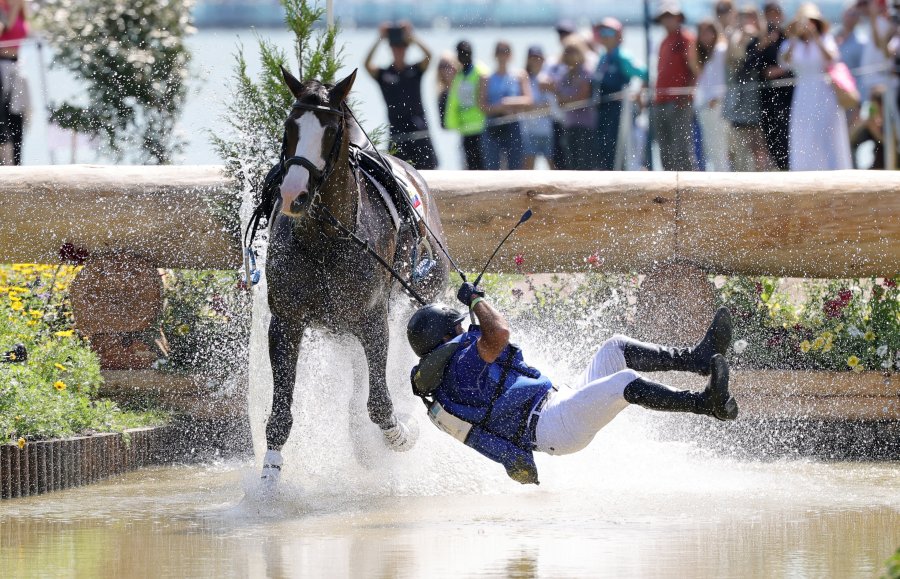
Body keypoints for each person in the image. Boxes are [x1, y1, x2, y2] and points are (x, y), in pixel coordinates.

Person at [406, 283, 739, 485]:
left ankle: (695, 359)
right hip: (553, 426)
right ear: (447, 336)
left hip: (556, 408)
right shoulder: (461, 368)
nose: (465, 330)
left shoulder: (453, 369)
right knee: (623, 382)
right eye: (459, 327)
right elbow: (499, 333)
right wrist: (477, 300)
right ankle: (704, 404)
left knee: (615, 348)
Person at [780, 3, 853, 170]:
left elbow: (832, 58)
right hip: (803, 92)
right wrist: (793, 36)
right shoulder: (792, 43)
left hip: (823, 90)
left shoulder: (825, 39)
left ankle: (832, 169)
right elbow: (785, 62)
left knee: (826, 129)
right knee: (803, 131)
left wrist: (815, 37)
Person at [364, 21, 438, 170]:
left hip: (420, 134)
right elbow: (366, 64)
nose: (399, 50)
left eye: (403, 47)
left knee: (430, 176)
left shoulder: (415, 70)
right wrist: (380, 38)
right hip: (397, 136)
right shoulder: (385, 74)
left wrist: (412, 36)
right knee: (396, 179)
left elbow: (429, 56)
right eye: (395, 47)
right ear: (390, 49)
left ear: (407, 48)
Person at [592, 17, 648, 170]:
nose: (604, 35)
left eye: (609, 32)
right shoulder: (602, 58)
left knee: (621, 153)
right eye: (601, 31)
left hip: (620, 114)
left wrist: (637, 94)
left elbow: (645, 74)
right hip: (603, 113)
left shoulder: (623, 56)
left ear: (618, 36)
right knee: (604, 153)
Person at [723, 5, 773, 171]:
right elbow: (734, 60)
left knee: (761, 150)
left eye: (751, 16)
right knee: (739, 151)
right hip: (741, 104)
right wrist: (744, 37)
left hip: (763, 103)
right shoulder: (735, 36)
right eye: (743, 16)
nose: (747, 19)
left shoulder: (766, 37)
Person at [653, 1, 699, 171]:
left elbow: (695, 70)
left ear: (679, 18)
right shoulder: (664, 41)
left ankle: (690, 191)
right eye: (664, 17)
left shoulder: (687, 39)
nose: (667, 20)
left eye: (671, 16)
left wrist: (686, 95)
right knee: (665, 151)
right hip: (661, 101)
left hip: (679, 102)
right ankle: (668, 193)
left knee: (682, 150)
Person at [753, 2, 794, 171]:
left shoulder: (789, 37)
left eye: (775, 14)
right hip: (767, 100)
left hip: (787, 97)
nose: (773, 18)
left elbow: (795, 65)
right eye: (769, 14)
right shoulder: (759, 39)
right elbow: (751, 65)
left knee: (787, 139)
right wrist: (762, 46)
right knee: (771, 141)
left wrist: (780, 71)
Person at [479, 41, 532, 170]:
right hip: (493, 125)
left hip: (513, 125)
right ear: (495, 55)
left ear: (511, 55)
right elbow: (482, 106)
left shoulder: (520, 76)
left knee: (515, 167)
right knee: (492, 168)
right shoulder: (486, 78)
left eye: (506, 51)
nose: (502, 55)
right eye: (500, 52)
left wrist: (508, 102)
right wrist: (499, 108)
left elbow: (528, 100)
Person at [549, 36, 596, 170]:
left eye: (573, 51)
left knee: (585, 164)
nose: (570, 55)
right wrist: (567, 98)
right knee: (571, 164)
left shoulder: (586, 72)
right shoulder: (564, 74)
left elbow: (582, 97)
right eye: (567, 51)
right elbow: (559, 100)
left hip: (585, 126)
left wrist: (565, 98)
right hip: (569, 125)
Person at [445, 40, 489, 170]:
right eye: (460, 53)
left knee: (483, 167)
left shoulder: (481, 71)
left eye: (466, 53)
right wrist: (451, 123)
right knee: (470, 168)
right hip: (465, 130)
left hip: (482, 129)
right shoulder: (459, 75)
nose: (463, 56)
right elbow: (454, 102)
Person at [695, 19, 732, 171]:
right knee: (711, 148)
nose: (705, 36)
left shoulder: (720, 49)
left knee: (720, 147)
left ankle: (724, 182)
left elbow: (725, 76)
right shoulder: (704, 53)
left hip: (717, 104)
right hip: (705, 105)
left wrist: (718, 97)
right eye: (702, 32)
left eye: (709, 31)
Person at [0, 0, 29, 166]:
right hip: (2, 65)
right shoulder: (4, 7)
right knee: (3, 119)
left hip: (16, 66)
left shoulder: (21, 8)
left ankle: (17, 164)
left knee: (17, 119)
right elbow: (5, 27)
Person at [521, 45, 556, 169]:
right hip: (529, 131)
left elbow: (551, 106)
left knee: (553, 168)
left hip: (548, 131)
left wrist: (533, 107)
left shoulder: (549, 77)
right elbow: (525, 106)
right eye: (532, 58)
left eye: (538, 58)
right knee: (528, 171)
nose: (536, 61)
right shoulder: (524, 78)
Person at [436, 52, 459, 129]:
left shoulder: (465, 87)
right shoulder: (441, 94)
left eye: (448, 65)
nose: (445, 69)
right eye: (442, 66)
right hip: (451, 134)